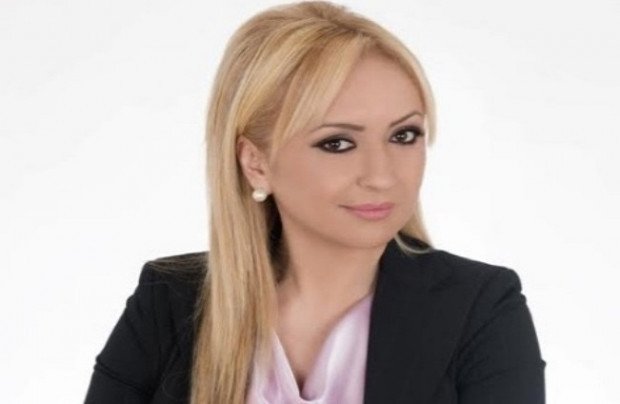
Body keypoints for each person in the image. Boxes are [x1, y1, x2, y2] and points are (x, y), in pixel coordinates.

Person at [84, 1, 546, 403]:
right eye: (337, 143)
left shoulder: (479, 309)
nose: (382, 176)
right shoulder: (168, 301)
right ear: (256, 163)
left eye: (404, 135)